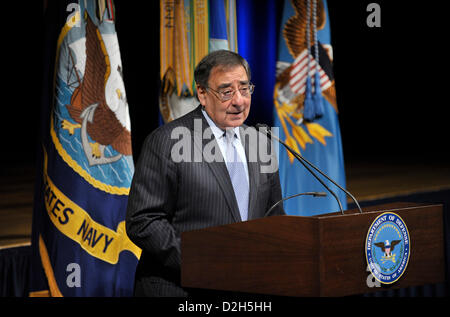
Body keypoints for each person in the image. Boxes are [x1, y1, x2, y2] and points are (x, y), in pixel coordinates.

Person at [126, 50, 285, 297]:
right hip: (181, 288)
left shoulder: (260, 143)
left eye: (244, 89)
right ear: (202, 93)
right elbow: (143, 221)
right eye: (226, 92)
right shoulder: (167, 141)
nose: (239, 100)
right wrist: (203, 264)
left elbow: (274, 217)